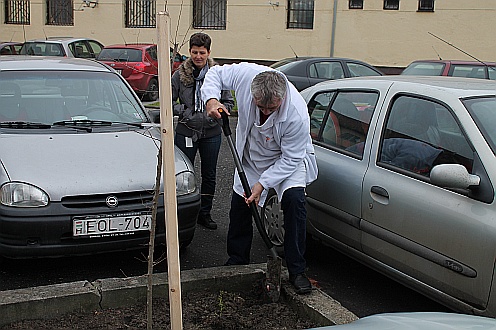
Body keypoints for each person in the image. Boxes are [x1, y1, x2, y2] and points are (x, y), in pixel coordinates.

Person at [201, 62, 318, 294]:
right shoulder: (246, 76)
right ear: (252, 93)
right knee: (240, 206)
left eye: (271, 108)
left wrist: (263, 184)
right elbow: (214, 72)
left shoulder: (297, 113)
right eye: (260, 106)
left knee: (294, 203)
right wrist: (211, 100)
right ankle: (237, 260)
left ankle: (297, 269)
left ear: (281, 98)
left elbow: (291, 159)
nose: (265, 112)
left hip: (286, 161)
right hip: (252, 157)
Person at [171, 33, 234, 230]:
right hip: (186, 130)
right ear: (189, 52)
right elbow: (169, 102)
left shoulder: (217, 75)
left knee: (209, 174)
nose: (198, 56)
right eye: (194, 52)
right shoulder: (179, 75)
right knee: (181, 174)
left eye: (202, 52)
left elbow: (229, 103)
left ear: (208, 53)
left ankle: (205, 213)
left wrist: (217, 112)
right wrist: (186, 112)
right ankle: (181, 214)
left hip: (211, 132)